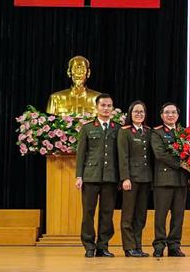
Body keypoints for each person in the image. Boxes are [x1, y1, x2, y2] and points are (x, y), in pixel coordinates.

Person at [75, 93, 120, 258]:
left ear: (112, 108)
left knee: (107, 213)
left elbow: (121, 155)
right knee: (88, 212)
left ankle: (103, 246)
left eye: (109, 106)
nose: (106, 108)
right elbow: (81, 154)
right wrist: (79, 176)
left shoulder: (118, 128)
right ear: (96, 107)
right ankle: (89, 246)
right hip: (91, 176)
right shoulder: (87, 128)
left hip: (110, 177)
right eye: (103, 105)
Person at [150, 102, 190, 257]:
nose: (170, 115)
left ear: (178, 115)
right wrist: (181, 164)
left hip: (181, 181)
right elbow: (160, 154)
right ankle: (159, 245)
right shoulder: (157, 132)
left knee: (178, 216)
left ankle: (174, 246)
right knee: (161, 216)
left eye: (173, 112)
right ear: (162, 115)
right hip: (163, 180)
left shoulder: (184, 133)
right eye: (167, 112)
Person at [117, 100, 153, 257]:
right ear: (130, 114)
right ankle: (129, 247)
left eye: (142, 111)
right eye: (136, 111)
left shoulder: (148, 131)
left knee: (140, 215)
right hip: (131, 179)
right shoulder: (124, 131)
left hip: (145, 178)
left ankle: (138, 246)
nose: (139, 114)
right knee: (128, 215)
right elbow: (123, 157)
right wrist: (125, 178)